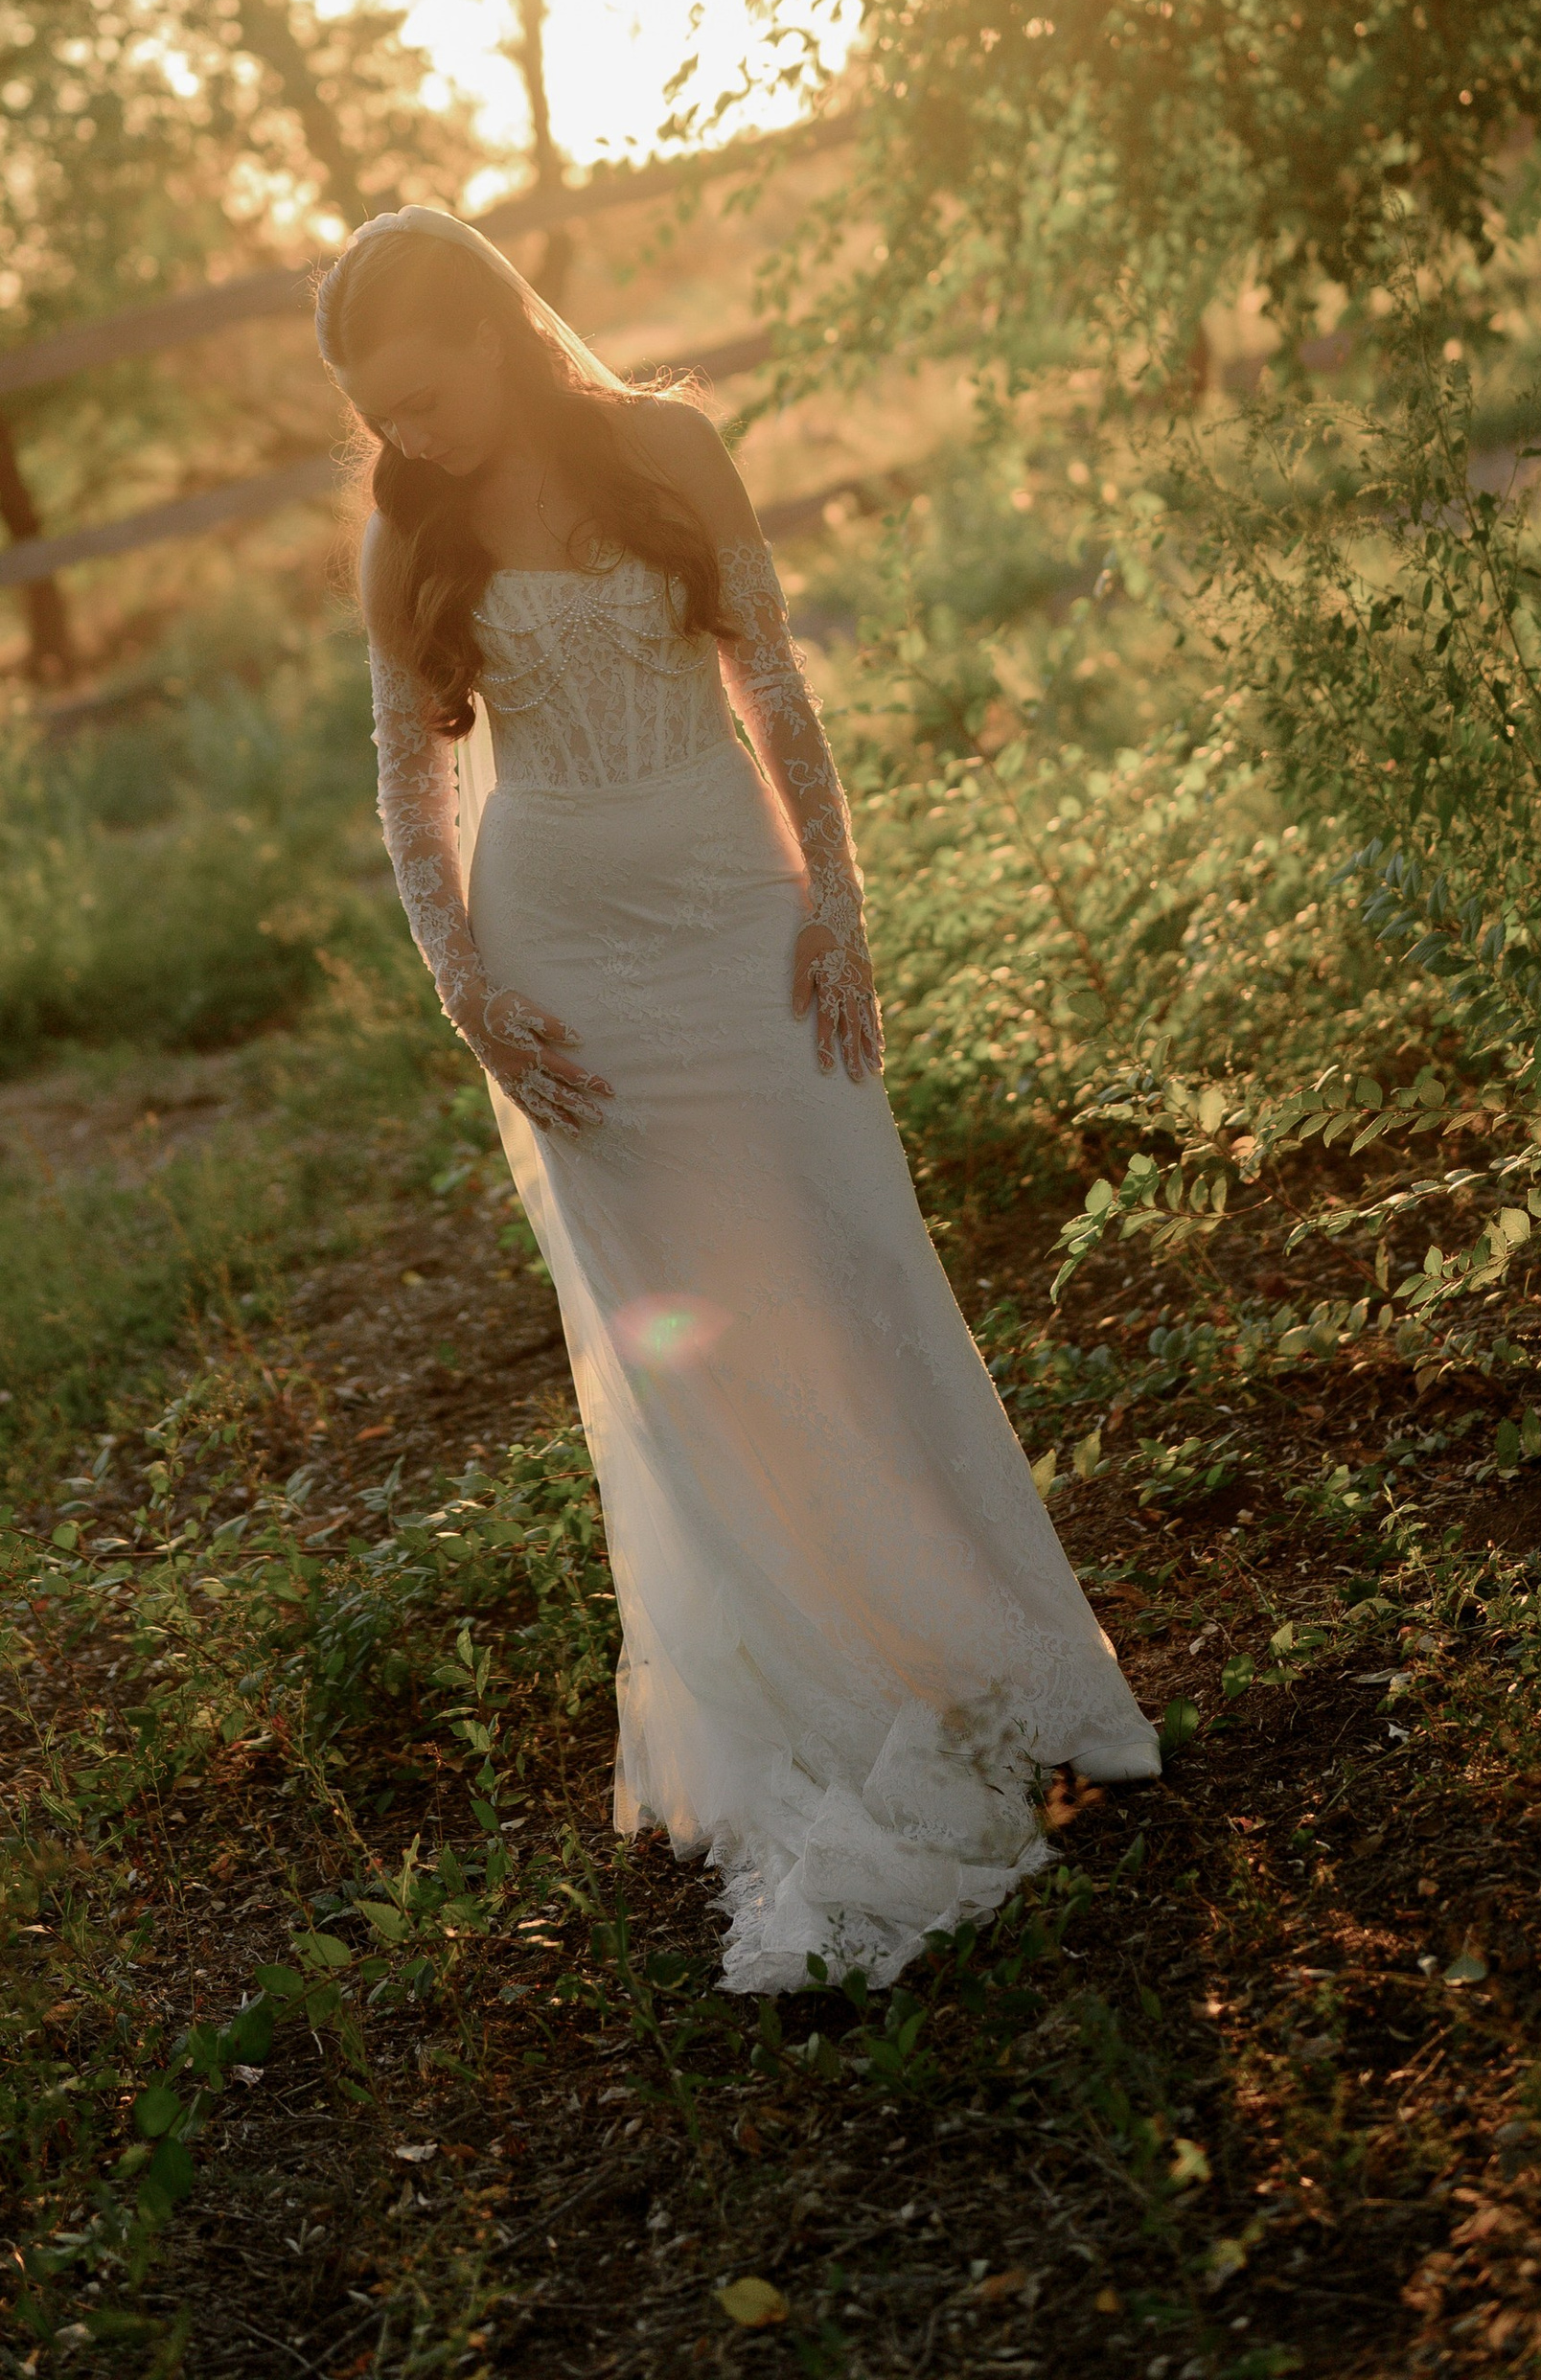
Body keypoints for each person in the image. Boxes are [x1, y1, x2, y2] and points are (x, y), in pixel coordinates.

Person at [316, 208, 1160, 1994]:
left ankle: (991, 1656)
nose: (411, 436)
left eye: (426, 394)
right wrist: (470, 994)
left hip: (738, 915)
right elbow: (407, 793)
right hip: (567, 965)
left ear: (496, 331)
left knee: (853, 1271)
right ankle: (817, 1691)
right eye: (380, 417)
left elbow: (774, 685)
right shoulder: (407, 529)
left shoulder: (667, 449)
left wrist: (837, 909)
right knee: (694, 1351)